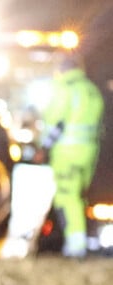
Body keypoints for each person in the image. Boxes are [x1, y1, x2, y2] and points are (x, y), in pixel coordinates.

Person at [41, 54, 105, 258]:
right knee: (79, 197)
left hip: (66, 153)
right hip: (90, 152)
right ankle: (80, 240)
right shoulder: (92, 90)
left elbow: (56, 122)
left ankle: (75, 245)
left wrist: (44, 147)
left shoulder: (65, 88)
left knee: (67, 198)